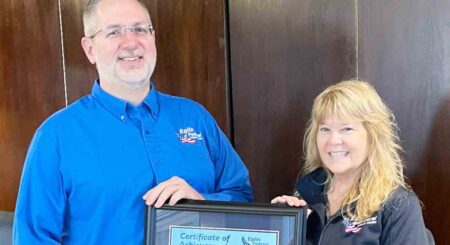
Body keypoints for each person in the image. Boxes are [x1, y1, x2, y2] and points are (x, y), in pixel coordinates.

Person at [13, 0, 253, 244]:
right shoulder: (56, 136)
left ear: (153, 38)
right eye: (114, 31)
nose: (131, 42)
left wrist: (203, 203)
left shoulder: (195, 117)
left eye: (140, 29)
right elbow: (33, 238)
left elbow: (242, 198)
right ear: (90, 49)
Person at [271, 80, 433, 244]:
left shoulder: (397, 206)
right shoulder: (305, 194)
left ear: (373, 135)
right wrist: (278, 225)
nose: (333, 140)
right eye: (325, 129)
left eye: (346, 129)